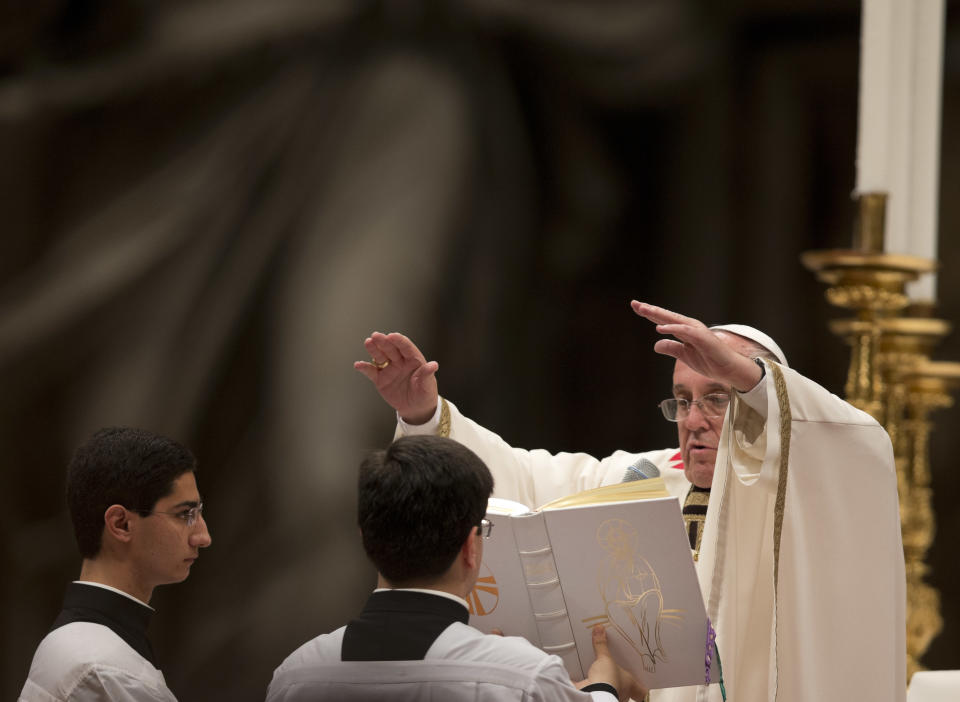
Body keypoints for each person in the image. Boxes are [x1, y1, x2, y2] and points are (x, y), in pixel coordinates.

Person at [355, 301, 906, 702]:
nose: (693, 422)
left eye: (718, 398)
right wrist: (424, 415)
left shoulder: (801, 492)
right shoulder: (638, 476)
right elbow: (517, 477)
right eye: (684, 401)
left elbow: (857, 450)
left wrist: (748, 376)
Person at [266, 435, 646, 701]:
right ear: (470, 547)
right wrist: (604, 690)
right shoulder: (523, 679)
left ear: (365, 536)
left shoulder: (295, 676)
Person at [19, 427, 213, 702]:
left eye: (198, 513)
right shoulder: (103, 669)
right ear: (120, 524)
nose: (203, 537)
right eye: (184, 514)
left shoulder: (88, 649)